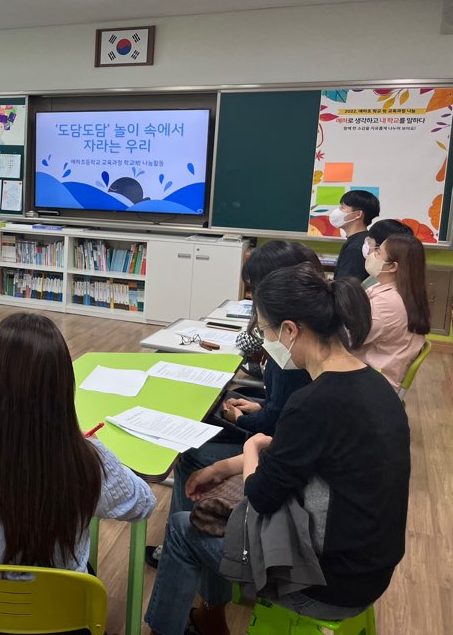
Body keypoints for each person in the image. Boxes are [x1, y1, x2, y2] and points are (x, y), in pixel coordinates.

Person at [145, 264, 409, 635]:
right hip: (370, 568)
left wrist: (252, 447)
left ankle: (185, 625)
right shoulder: (375, 387)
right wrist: (226, 467)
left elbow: (261, 496)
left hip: (326, 583)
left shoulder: (313, 402)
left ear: (289, 330)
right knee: (215, 511)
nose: (265, 341)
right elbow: (316, 454)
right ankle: (207, 618)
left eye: (265, 331)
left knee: (182, 529)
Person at [0, 314, 156, 613]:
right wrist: (99, 452)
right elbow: (143, 504)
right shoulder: (87, 461)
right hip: (60, 618)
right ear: (61, 386)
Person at [146, 241, 318, 569]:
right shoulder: (309, 331)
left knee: (191, 454)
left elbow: (274, 425)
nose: (251, 296)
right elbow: (284, 409)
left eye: (255, 287)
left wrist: (239, 417)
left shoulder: (288, 347)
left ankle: (178, 545)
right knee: (219, 408)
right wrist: (255, 409)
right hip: (285, 438)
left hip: (276, 450)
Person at [354, 233, 430, 391]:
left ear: (392, 266)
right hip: (373, 369)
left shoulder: (388, 303)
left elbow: (351, 338)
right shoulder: (403, 290)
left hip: (373, 383)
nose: (372, 254)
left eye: (379, 252)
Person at [331, 190, 379, 281]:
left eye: (342, 208)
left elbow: (345, 286)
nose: (337, 211)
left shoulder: (355, 248)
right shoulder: (362, 239)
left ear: (358, 214)